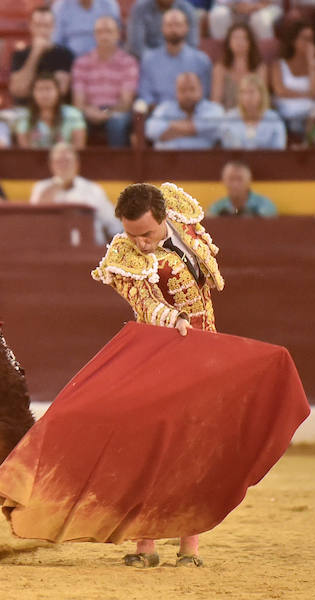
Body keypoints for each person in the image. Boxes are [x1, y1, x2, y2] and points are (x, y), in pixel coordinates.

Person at [90, 181, 225, 568]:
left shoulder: (183, 217)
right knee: (150, 447)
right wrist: (175, 318)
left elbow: (205, 268)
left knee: (193, 448)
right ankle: (144, 544)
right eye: (132, 235)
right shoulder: (123, 253)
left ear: (164, 219)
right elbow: (142, 301)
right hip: (159, 353)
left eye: (147, 234)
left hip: (205, 351)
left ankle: (190, 547)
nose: (140, 244)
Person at [30, 142, 121, 244]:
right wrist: (57, 185)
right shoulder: (40, 188)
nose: (63, 165)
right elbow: (34, 224)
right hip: (50, 252)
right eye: (59, 161)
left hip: (90, 252)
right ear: (51, 165)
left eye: (67, 161)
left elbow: (114, 226)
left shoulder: (93, 189)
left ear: (77, 164)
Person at [71, 15, 139, 147]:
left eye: (109, 31)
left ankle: (118, 165)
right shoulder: (81, 62)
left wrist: (105, 113)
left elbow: (125, 102)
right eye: (100, 32)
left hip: (117, 111)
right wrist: (89, 111)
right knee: (75, 121)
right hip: (88, 110)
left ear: (118, 34)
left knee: (117, 122)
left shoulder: (128, 62)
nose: (104, 36)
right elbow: (78, 102)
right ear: (94, 35)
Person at [137, 8, 212, 106]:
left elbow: (204, 94)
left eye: (178, 25)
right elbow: (145, 94)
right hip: (159, 115)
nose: (174, 30)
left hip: (192, 114)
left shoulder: (201, 60)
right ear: (162, 28)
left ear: (186, 28)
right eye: (169, 25)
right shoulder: (149, 59)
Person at [9, 6, 75, 106]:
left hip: (55, 112)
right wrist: (35, 53)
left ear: (53, 27)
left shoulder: (64, 54)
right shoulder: (20, 55)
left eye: (47, 26)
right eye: (38, 25)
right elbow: (19, 91)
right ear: (31, 26)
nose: (42, 30)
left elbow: (61, 91)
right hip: (25, 109)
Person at [146, 71, 224, 149]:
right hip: (168, 159)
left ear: (201, 89)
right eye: (183, 90)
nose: (188, 94)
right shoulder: (164, 109)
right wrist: (198, 131)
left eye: (192, 89)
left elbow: (216, 126)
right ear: (175, 91)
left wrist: (170, 127)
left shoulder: (214, 109)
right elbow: (151, 130)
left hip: (205, 159)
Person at [271, 20, 315, 134]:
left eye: (311, 39)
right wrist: (306, 95)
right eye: (305, 38)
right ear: (294, 40)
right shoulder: (279, 65)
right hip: (288, 114)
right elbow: (280, 91)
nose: (308, 43)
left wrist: (311, 63)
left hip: (311, 115)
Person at [16, 72, 87, 149]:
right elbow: (25, 152)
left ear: (58, 92)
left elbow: (79, 150)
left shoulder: (73, 115)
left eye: (48, 89)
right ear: (32, 94)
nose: (44, 94)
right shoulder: (24, 117)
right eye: (40, 89)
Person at [219, 74, 287, 149]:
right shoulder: (229, 118)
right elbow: (227, 149)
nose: (246, 97)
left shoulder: (274, 119)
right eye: (243, 92)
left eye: (251, 92)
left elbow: (278, 150)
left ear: (261, 95)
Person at [211, 23, 267, 111]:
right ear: (229, 42)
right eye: (235, 38)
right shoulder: (220, 68)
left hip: (252, 116)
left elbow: (262, 99)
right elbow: (216, 100)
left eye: (243, 38)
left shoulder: (259, 68)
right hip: (227, 117)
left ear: (250, 42)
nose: (239, 42)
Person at [127, 0, 200, 58]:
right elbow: (136, 45)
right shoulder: (140, 8)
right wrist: (159, 61)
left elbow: (192, 44)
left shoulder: (187, 9)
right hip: (147, 60)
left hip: (180, 59)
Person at [51, 0, 122, 57]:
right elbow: (56, 42)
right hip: (70, 61)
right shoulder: (61, 7)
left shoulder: (108, 5)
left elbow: (115, 37)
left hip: (103, 60)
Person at [208, 160, 277, 217]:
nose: (235, 184)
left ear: (249, 181)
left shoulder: (265, 206)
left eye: (239, 179)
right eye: (231, 179)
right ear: (224, 181)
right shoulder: (217, 208)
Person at [208, 0, 283, 41]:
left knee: (259, 18)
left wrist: (254, 6)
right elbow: (222, 2)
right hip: (234, 8)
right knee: (218, 15)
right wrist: (236, 7)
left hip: (267, 6)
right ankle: (224, 57)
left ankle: (266, 57)